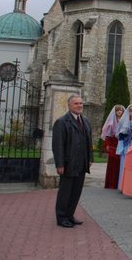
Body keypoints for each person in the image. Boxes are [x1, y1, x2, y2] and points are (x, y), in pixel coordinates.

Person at [52, 94, 93, 228]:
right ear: (69, 105)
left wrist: (90, 158)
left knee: (76, 192)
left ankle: (70, 215)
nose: (79, 106)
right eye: (76, 103)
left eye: (81, 103)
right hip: (69, 164)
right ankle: (62, 217)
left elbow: (89, 142)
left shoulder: (86, 121)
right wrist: (60, 164)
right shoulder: (62, 122)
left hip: (81, 163)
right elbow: (58, 145)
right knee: (65, 192)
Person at [100, 104, 124, 189]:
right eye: (117, 110)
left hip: (121, 143)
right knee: (112, 164)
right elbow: (108, 134)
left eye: (121, 110)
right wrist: (107, 144)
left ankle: (118, 183)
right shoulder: (112, 121)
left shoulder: (125, 120)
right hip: (113, 143)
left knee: (119, 164)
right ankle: (110, 183)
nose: (119, 112)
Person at [117, 104, 132, 191]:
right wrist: (121, 146)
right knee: (124, 164)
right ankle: (123, 185)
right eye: (131, 111)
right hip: (126, 145)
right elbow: (120, 135)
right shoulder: (124, 122)